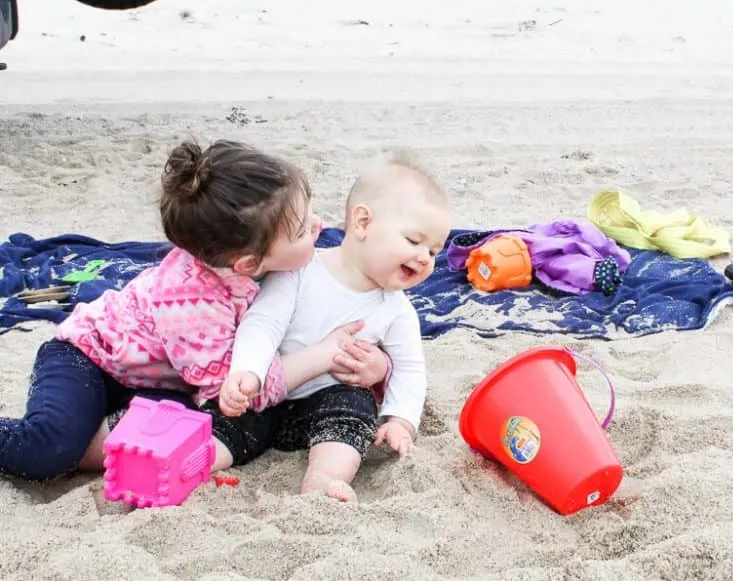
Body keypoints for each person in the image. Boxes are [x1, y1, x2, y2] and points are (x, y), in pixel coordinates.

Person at [0, 138, 387, 481]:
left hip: (159, 379)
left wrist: (377, 366)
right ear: (248, 264)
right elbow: (236, 392)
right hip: (88, 360)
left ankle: (104, 436)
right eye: (303, 229)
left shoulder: (269, 265)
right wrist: (324, 355)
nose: (320, 226)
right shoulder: (190, 300)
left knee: (184, 424)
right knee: (50, 448)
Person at [220, 150, 451, 503]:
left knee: (355, 408)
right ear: (362, 223)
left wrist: (400, 421)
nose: (424, 258)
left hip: (327, 403)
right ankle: (192, 461)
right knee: (229, 417)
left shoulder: (396, 309)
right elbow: (262, 322)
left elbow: (410, 369)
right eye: (414, 241)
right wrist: (246, 371)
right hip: (269, 395)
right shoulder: (301, 271)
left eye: (434, 251)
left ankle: (324, 478)